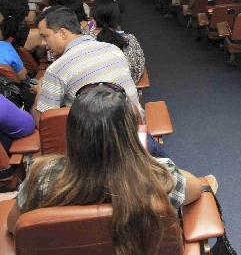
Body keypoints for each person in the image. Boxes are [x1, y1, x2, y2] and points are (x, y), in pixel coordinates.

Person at [7, 84, 217, 252]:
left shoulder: (40, 176)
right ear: (130, 134)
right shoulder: (158, 178)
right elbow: (195, 189)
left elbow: (14, 226)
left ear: (72, 133)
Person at [31, 6, 166, 156]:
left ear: (63, 33)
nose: (43, 43)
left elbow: (45, 124)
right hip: (136, 140)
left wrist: (40, 92)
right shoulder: (113, 49)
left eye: (45, 36)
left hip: (94, 152)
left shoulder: (56, 70)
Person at [89, 0, 145, 84]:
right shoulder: (130, 41)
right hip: (123, 91)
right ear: (118, 19)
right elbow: (138, 71)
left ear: (94, 16)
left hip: (90, 92)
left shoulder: (83, 40)